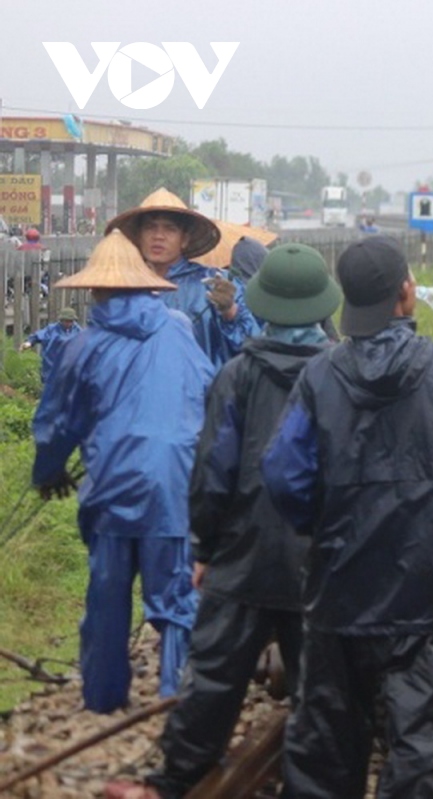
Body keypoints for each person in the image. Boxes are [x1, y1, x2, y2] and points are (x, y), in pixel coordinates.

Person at [261, 236, 433, 798]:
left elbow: (283, 476)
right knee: (419, 740)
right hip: (427, 585)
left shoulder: (319, 378)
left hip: (340, 585)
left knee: (328, 744)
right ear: (407, 295)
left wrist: (322, 530)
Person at [121, 245, 341, 799]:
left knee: (214, 679)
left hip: (243, 558)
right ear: (322, 308)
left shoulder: (238, 376)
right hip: (323, 565)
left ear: (261, 305)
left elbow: (212, 473)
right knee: (321, 694)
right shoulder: (345, 376)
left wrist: (204, 549)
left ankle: (170, 783)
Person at [31, 231, 215, 713]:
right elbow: (207, 389)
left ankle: (104, 698)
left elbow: (57, 423)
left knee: (108, 598)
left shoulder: (82, 346)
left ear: (94, 290)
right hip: (174, 479)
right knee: (175, 597)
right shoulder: (178, 327)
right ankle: (178, 701)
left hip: (112, 483)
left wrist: (47, 473)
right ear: (145, 285)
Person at [106, 188, 259, 368]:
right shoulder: (121, 286)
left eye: (169, 229)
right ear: (138, 237)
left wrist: (230, 311)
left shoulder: (215, 284)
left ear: (184, 239)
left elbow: (254, 348)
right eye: (150, 227)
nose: (158, 236)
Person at [21, 306, 82, 384]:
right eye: (66, 321)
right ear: (61, 320)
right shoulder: (52, 330)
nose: (68, 323)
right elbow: (37, 336)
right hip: (51, 367)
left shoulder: (77, 330)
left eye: (71, 321)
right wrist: (29, 343)